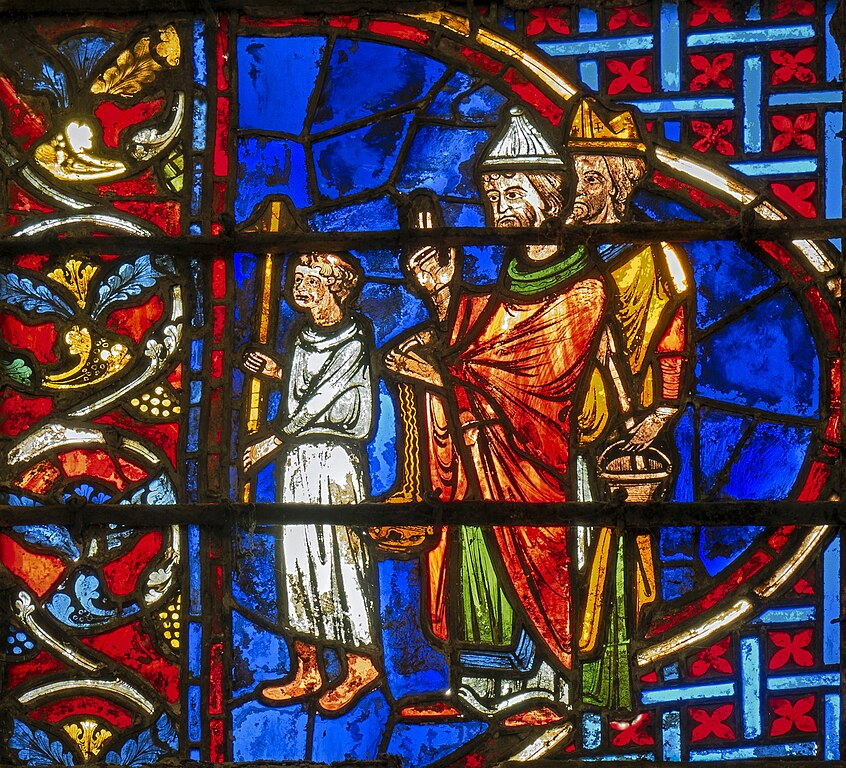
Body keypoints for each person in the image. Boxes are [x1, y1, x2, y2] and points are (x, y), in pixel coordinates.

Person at [385, 104, 606, 722]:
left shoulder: (584, 288)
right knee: (475, 562)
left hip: (540, 467)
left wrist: (439, 377)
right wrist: (441, 292)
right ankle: (481, 692)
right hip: (483, 460)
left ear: (550, 193)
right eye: (493, 196)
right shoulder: (507, 280)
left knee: (539, 561)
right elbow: (477, 346)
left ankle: (546, 688)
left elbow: (534, 387)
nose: (499, 207)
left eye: (514, 193)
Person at [566, 98, 691, 708]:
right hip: (563, 419)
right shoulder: (565, 253)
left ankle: (608, 674)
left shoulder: (655, 254)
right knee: (572, 549)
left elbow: (672, 338)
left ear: (619, 182)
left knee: (614, 550)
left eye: (591, 179)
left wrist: (662, 411)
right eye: (575, 177)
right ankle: (571, 668)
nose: (579, 191)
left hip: (628, 428)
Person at [242, 251, 380, 714]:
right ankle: (308, 667)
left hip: (336, 461)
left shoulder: (355, 338)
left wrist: (272, 440)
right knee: (297, 561)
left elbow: (323, 398)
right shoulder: (302, 337)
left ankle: (360, 665)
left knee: (341, 560)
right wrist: (277, 373)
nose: (298, 287)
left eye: (310, 279)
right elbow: (304, 388)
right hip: (299, 460)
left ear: (336, 286)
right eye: (296, 278)